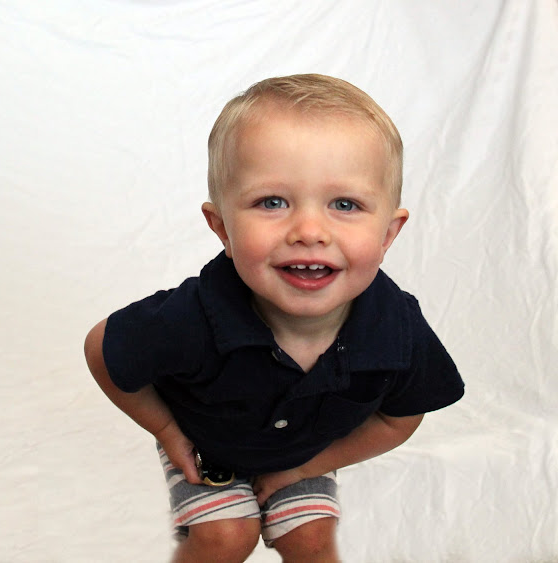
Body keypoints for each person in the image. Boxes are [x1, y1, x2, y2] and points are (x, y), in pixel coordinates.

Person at [84, 74, 464, 562]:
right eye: (272, 202)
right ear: (222, 227)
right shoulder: (191, 317)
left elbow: (401, 416)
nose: (309, 230)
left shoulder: (396, 329)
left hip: (305, 450)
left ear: (388, 234)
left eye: (344, 204)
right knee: (226, 537)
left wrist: (308, 467)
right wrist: (167, 431)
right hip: (207, 444)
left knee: (311, 541)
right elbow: (102, 349)